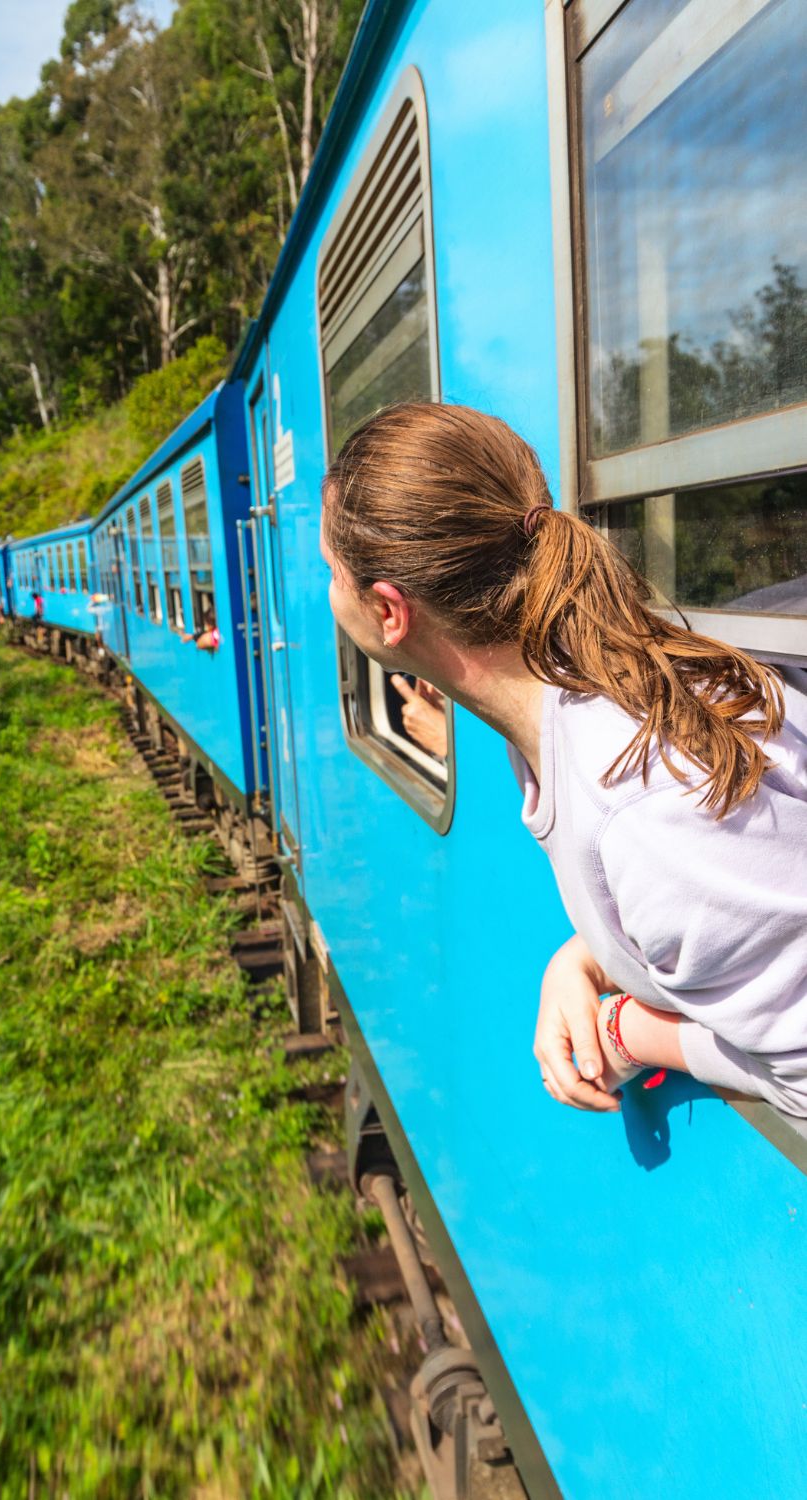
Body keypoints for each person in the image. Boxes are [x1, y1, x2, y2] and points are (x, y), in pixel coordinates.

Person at [321, 401, 807, 1116]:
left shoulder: (639, 801)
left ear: (389, 611)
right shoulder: (583, 699)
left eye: (332, 572)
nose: (328, 593)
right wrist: (582, 956)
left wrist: (630, 1032)